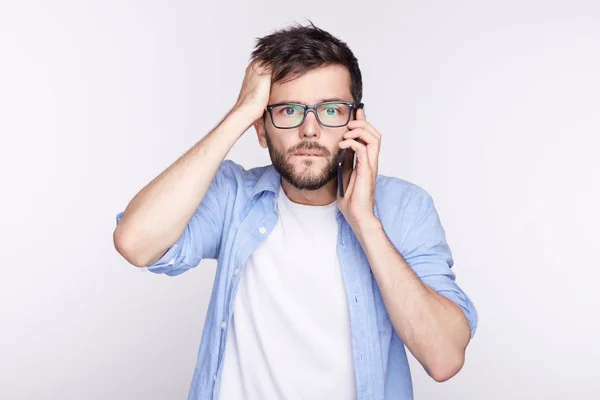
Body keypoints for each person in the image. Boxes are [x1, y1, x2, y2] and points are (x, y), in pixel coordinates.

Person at [113, 21, 478, 400]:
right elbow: (135, 241)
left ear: (356, 122)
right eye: (288, 110)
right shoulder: (233, 196)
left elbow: (444, 358)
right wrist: (240, 113)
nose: (309, 130)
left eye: (331, 110)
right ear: (261, 129)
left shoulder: (406, 208)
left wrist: (365, 222)